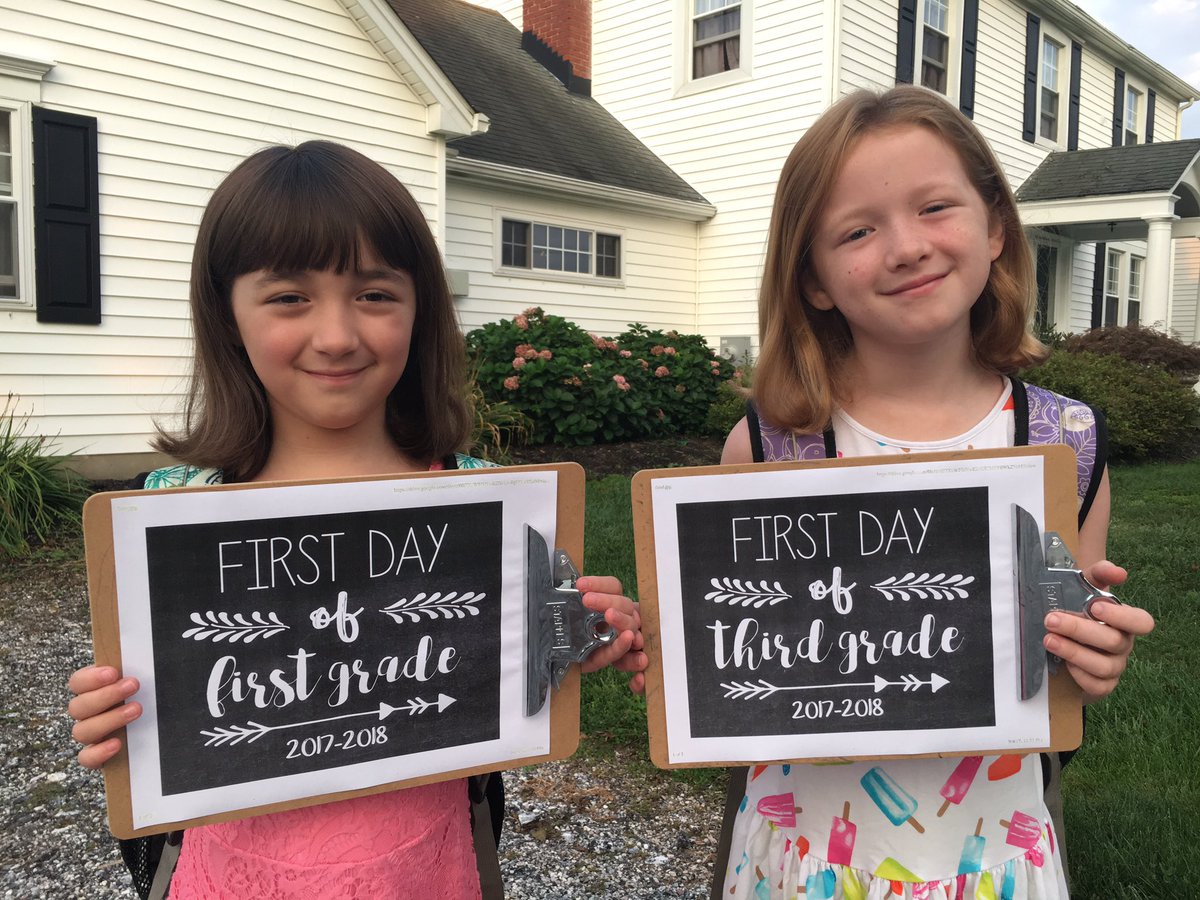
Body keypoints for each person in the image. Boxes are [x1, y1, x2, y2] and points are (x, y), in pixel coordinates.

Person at [66, 140, 647, 900]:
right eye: (289, 298)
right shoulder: (174, 506)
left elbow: (510, 665)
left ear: (420, 308)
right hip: (227, 875)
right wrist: (109, 710)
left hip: (430, 869)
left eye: (374, 294)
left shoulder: (479, 505)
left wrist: (582, 630)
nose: (337, 335)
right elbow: (153, 690)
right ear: (227, 312)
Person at [714, 86, 1155, 899]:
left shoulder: (1064, 442)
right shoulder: (774, 443)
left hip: (993, 857)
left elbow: (1062, 670)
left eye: (934, 208)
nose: (906, 247)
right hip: (803, 849)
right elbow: (732, 656)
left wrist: (1096, 656)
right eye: (857, 230)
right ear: (811, 277)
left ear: (994, 228)